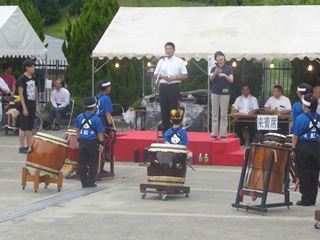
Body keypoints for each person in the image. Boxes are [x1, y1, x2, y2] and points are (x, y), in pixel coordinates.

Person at [291, 93, 320, 206]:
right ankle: (313, 197)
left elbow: (295, 136)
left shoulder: (300, 118)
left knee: (304, 172)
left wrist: (293, 149)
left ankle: (306, 198)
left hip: (303, 147)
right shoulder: (318, 116)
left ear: (305, 105)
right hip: (316, 147)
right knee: (314, 172)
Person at [154, 42, 188, 136]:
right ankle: (165, 131)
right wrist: (161, 76)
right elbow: (155, 75)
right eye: (166, 49)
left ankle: (174, 130)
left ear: (174, 50)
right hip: (163, 87)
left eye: (169, 49)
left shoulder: (179, 61)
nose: (168, 51)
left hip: (173, 86)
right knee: (163, 108)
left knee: (173, 109)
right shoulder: (162, 61)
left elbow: (185, 75)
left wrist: (174, 78)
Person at [76, 97, 105, 188]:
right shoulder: (97, 119)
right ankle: (91, 182)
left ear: (85, 106)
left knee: (82, 163)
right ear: (95, 107)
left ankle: (84, 183)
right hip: (92, 142)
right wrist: (101, 144)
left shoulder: (80, 116)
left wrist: (78, 140)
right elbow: (100, 133)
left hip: (83, 141)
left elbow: (77, 129)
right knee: (93, 162)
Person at [209, 51, 234, 141]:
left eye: (221, 56)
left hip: (225, 92)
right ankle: (214, 134)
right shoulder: (213, 68)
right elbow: (211, 78)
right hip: (215, 92)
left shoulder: (228, 68)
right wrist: (216, 72)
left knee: (223, 114)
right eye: (218, 56)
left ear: (224, 57)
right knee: (214, 113)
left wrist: (224, 75)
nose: (220, 58)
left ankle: (223, 134)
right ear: (215, 59)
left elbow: (231, 80)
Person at [18, 60, 39, 154]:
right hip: (25, 104)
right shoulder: (22, 78)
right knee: (23, 126)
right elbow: (20, 93)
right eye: (31, 66)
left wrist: (37, 105)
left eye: (34, 66)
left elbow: (36, 91)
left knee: (30, 127)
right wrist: (24, 107)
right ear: (27, 67)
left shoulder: (34, 78)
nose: (33, 68)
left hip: (32, 104)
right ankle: (22, 146)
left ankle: (29, 145)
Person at [94, 80, 113, 174]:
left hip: (95, 121)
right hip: (103, 121)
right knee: (104, 144)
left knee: (96, 143)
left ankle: (95, 167)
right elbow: (108, 113)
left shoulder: (95, 97)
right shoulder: (106, 99)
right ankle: (100, 168)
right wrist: (110, 125)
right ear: (107, 88)